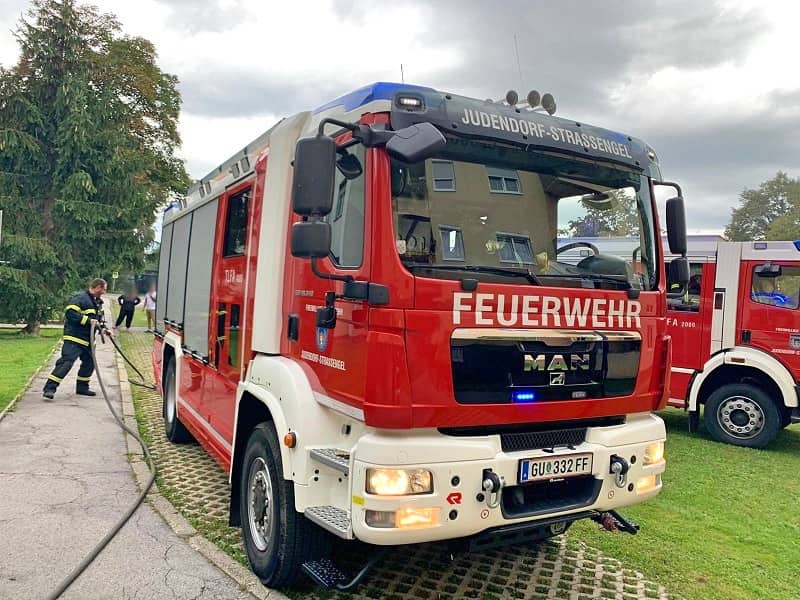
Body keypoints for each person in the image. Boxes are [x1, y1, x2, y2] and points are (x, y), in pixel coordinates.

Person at [43, 278, 111, 400]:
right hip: (74, 338)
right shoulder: (80, 298)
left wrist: (104, 329)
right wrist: (88, 321)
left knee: (89, 364)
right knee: (66, 363)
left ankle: (82, 388)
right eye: (104, 289)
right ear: (98, 287)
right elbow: (70, 314)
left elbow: (98, 320)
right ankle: (49, 389)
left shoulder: (97, 302)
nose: (104, 292)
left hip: (88, 340)